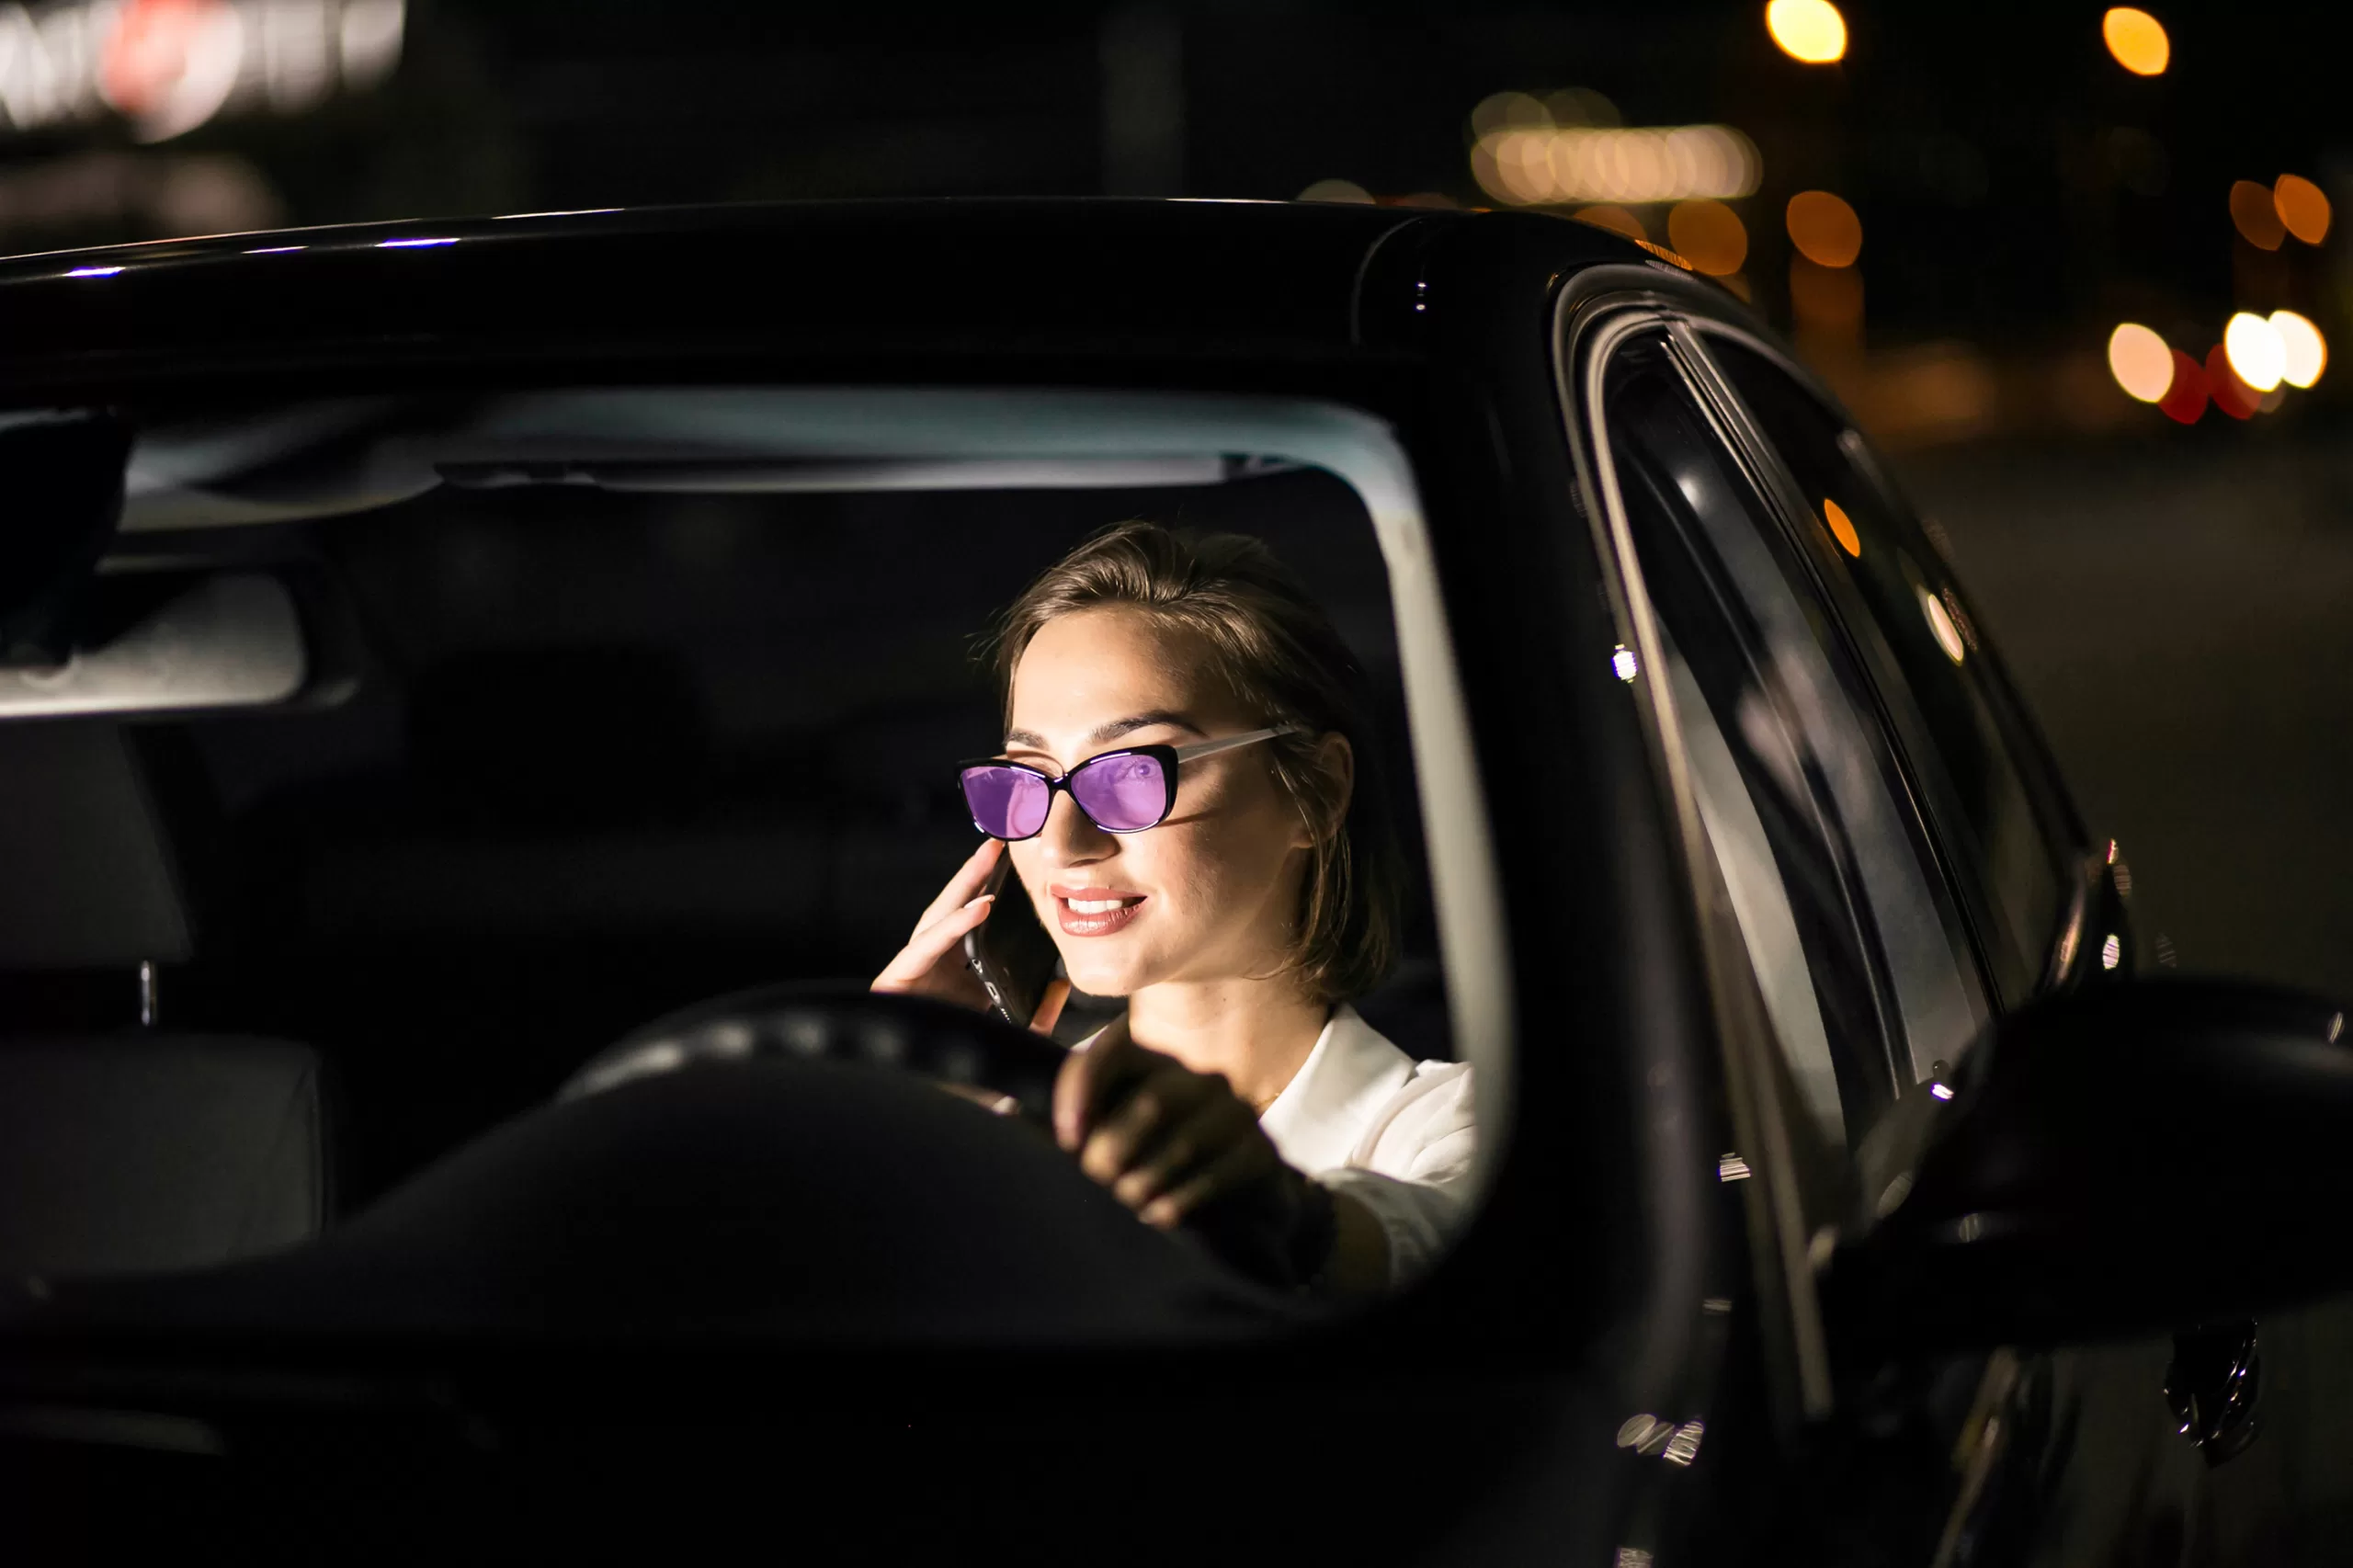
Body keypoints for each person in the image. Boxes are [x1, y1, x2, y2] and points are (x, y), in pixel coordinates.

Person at [872, 520, 1473, 1294]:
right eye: (1026, 777)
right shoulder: (990, 1126)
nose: (1063, 844)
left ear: (1315, 791)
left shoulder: (1452, 1129)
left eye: (1131, 773)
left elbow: (1421, 1242)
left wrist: (1270, 1213)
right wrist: (902, 1122)